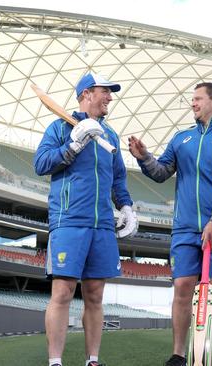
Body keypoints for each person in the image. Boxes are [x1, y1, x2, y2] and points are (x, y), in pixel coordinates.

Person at [128, 82, 212, 366]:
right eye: (192, 99)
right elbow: (161, 172)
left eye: (198, 99)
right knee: (182, 285)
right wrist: (144, 157)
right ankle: (177, 354)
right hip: (185, 228)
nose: (192, 103)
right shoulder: (181, 138)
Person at [34, 73, 138, 366]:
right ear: (86, 94)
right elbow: (41, 164)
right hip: (69, 220)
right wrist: (73, 145)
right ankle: (55, 362)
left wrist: (126, 207)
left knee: (95, 295)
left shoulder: (111, 136)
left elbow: (118, 178)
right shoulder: (60, 127)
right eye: (105, 92)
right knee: (63, 292)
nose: (110, 97)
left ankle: (92, 360)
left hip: (102, 225)